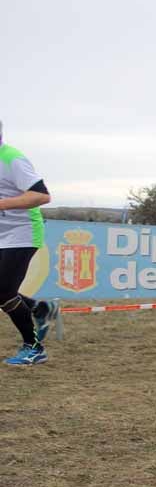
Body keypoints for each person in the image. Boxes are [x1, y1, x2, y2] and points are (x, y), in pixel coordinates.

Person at [0, 121, 59, 365]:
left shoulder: (12, 159)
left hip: (23, 232)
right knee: (3, 290)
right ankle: (39, 309)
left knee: (2, 292)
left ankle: (34, 348)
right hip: (3, 234)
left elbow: (42, 195)